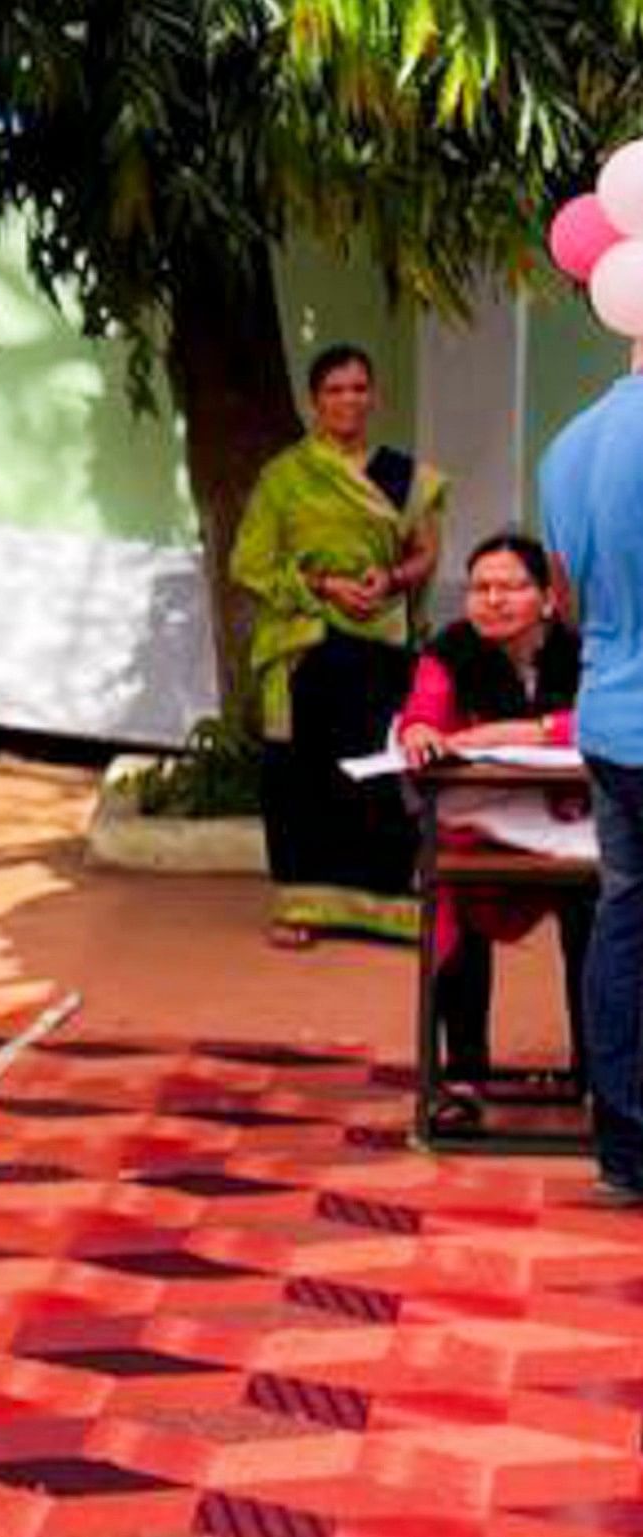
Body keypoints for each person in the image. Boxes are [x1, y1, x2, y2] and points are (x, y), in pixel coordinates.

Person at [231, 343, 445, 948]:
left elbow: (424, 550)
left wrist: (393, 579)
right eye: (335, 390)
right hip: (305, 642)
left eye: (359, 388)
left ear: (374, 396)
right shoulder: (284, 477)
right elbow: (249, 563)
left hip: (380, 640)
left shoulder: (403, 475)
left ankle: (386, 907)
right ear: (314, 401)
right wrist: (323, 585)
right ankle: (300, 905)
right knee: (300, 776)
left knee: (377, 772)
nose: (348, 399)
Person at [393, 533, 590, 1131]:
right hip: (480, 828)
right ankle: (462, 1076)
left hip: (570, 829)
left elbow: (602, 721)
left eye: (511, 586)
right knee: (455, 897)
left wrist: (513, 734)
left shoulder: (584, 651)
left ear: (548, 599)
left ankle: (599, 1074)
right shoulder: (447, 651)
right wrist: (420, 733)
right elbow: (423, 714)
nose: (493, 600)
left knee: (600, 914)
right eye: (481, 587)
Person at [540, 338, 643, 1203]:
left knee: (624, 919)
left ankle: (623, 1148)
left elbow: (564, 597)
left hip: (608, 714)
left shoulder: (570, 442)